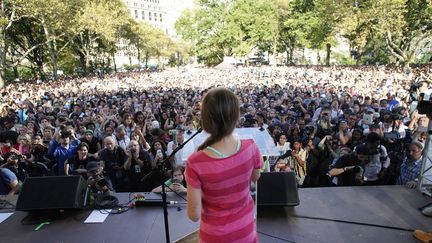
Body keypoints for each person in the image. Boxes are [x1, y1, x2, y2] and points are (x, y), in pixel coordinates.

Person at [185, 87, 263, 242]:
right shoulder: (251, 147)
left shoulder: (195, 162)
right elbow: (256, 177)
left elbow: (194, 216)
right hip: (245, 231)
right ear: (236, 115)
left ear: (206, 119)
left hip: (215, 236)